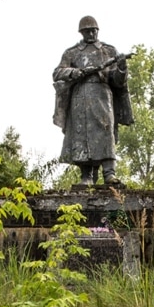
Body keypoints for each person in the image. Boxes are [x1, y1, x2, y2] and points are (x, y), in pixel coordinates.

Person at [52, 16, 133, 186]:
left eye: (94, 30)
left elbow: (117, 81)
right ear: (81, 32)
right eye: (87, 30)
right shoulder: (72, 52)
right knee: (81, 134)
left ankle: (109, 174)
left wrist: (122, 68)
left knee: (106, 132)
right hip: (79, 97)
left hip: (102, 96)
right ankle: (86, 176)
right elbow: (57, 73)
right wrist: (75, 72)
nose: (91, 33)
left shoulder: (109, 51)